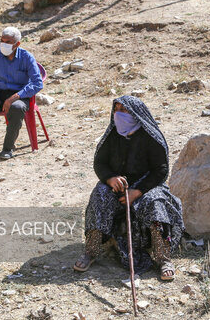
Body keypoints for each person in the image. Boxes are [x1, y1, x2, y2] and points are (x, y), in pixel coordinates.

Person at [74, 96, 184, 281]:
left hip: (146, 186)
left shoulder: (150, 137)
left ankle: (163, 259)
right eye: (116, 109)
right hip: (118, 185)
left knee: (156, 202)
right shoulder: (112, 135)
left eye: (124, 110)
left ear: (135, 114)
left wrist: (138, 191)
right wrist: (110, 179)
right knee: (99, 195)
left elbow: (161, 170)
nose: (118, 114)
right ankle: (91, 252)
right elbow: (100, 163)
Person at [0, 27, 43, 160]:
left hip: (20, 95)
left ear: (17, 44)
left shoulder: (27, 57)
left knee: (17, 108)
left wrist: (15, 97)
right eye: (2, 40)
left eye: (8, 42)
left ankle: (7, 148)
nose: (4, 44)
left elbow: (37, 83)